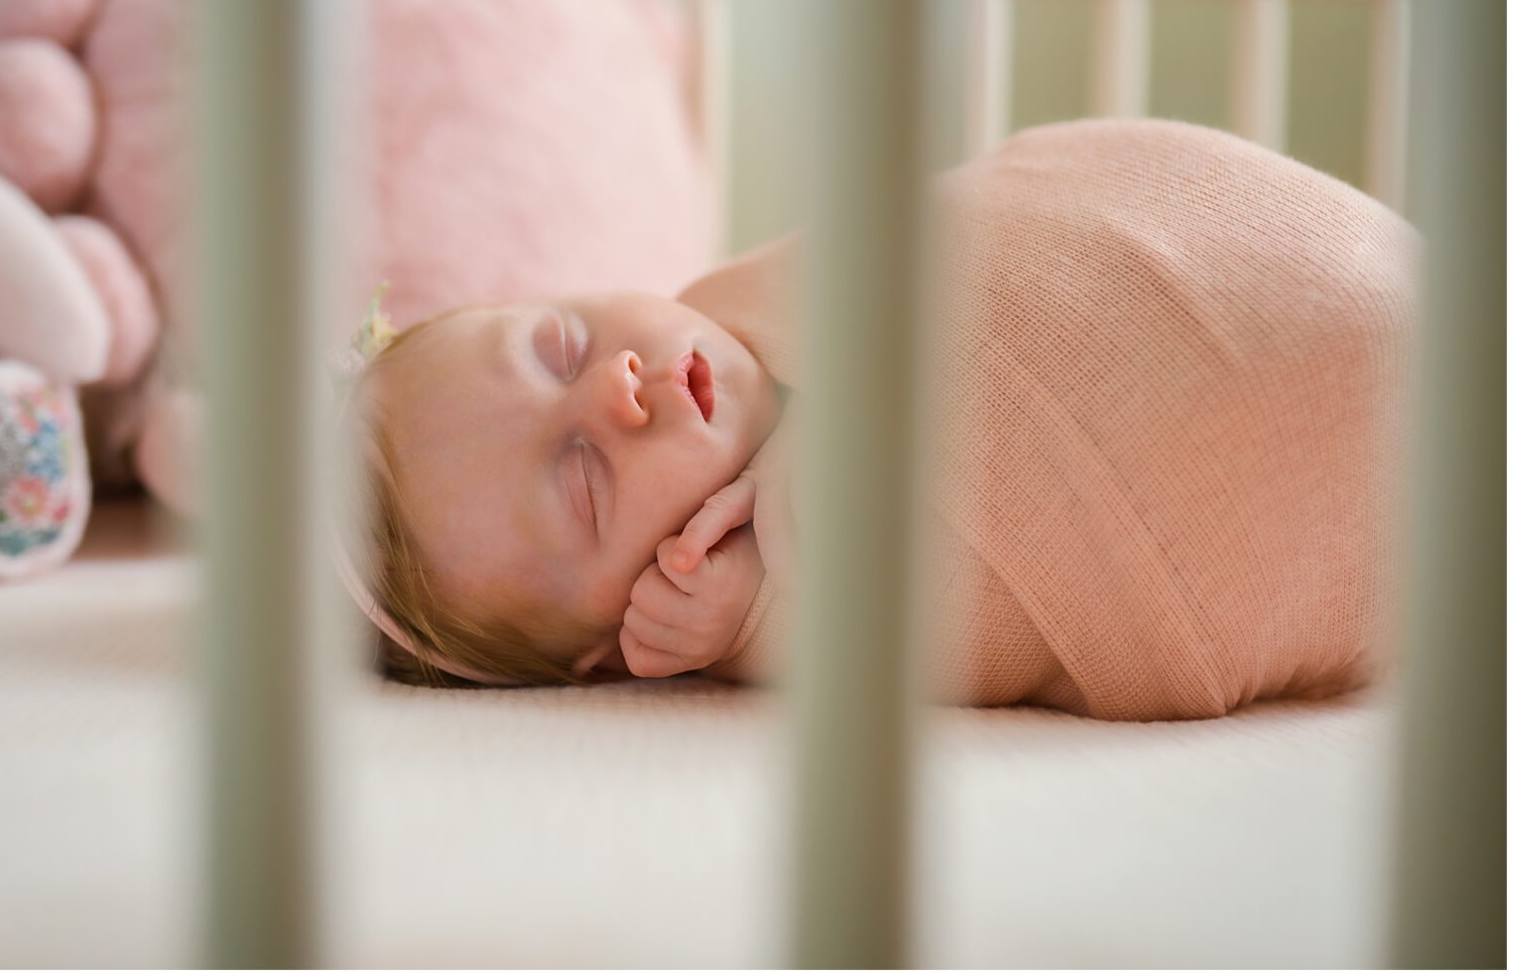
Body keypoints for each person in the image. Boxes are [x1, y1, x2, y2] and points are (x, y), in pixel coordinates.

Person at [345, 120, 1415, 716]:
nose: (612, 390)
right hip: (1275, 451)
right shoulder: (746, 595)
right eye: (582, 480)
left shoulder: (758, 296)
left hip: (1223, 250)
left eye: (561, 346)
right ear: (611, 649)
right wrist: (754, 617)